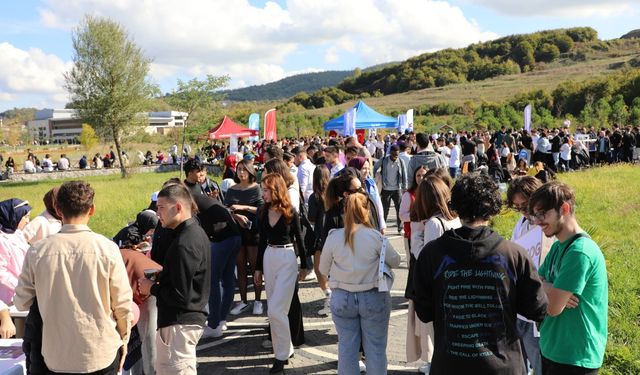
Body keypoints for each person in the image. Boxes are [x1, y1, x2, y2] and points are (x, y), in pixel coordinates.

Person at [413, 173, 548, 374]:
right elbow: (536, 309)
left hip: (450, 363)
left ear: (455, 207)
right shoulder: (514, 254)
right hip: (503, 365)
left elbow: (423, 312)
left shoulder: (431, 253)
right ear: (493, 209)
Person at [14, 181, 132, 374]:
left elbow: (21, 302)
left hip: (55, 356)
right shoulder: (107, 248)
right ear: (92, 209)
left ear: (58, 210)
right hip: (101, 352)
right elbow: (122, 303)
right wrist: (124, 338)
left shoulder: (38, 251)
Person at [529, 182, 608, 374]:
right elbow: (534, 283)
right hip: (553, 348)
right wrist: (550, 288)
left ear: (564, 209)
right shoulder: (558, 246)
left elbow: (553, 308)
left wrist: (545, 288)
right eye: (534, 216)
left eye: (542, 214)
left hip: (575, 358)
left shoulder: (580, 252)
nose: (538, 221)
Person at [319, 191, 401, 375]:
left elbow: (323, 269)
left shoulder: (334, 236)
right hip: (373, 295)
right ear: (366, 211)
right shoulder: (375, 237)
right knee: (376, 349)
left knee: (347, 349)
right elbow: (395, 261)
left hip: (342, 297)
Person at [137, 183, 211, 375]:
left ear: (177, 207)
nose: (156, 212)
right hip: (183, 323)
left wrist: (151, 287)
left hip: (179, 325)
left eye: (160, 207)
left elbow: (181, 296)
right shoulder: (192, 232)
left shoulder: (184, 243)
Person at [254, 174, 308, 374]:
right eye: (262, 189)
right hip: (269, 257)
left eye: (266, 189)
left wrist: (304, 265)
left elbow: (300, 240)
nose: (263, 193)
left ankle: (281, 355)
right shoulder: (262, 211)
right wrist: (257, 268)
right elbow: (260, 242)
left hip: (287, 258)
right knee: (276, 309)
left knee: (276, 311)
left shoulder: (290, 212)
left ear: (276, 190)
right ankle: (287, 349)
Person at [407, 174, 461, 374]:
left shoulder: (433, 224)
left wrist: (416, 238)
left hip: (439, 287)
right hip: (455, 282)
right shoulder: (455, 219)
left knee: (437, 334)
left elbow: (427, 257)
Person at [506, 176, 555, 375]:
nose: (523, 211)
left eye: (525, 205)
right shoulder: (522, 223)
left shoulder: (548, 225)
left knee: (540, 362)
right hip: (521, 305)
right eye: (517, 207)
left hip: (539, 304)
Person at [195, 195, 242, 338]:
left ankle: (214, 324)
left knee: (212, 281)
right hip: (235, 237)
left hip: (223, 240)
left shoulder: (190, 199)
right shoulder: (200, 197)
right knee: (227, 281)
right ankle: (221, 320)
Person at [225, 159, 264, 316]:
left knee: (255, 268)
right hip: (236, 231)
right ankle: (243, 300)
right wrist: (235, 214)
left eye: (244, 169)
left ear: (250, 172)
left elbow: (262, 209)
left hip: (253, 231)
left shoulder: (257, 188)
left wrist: (244, 207)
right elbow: (226, 209)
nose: (241, 172)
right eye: (239, 169)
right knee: (240, 268)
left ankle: (258, 301)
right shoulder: (231, 189)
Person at [308, 165, 331, 316]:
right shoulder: (334, 193)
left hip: (320, 236)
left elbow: (311, 217)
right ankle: (333, 295)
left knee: (319, 269)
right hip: (335, 233)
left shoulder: (314, 197)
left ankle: (329, 295)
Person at [0, 198, 32, 304]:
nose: (28, 221)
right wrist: (20, 285)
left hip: (23, 290)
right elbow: (1, 272)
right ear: (14, 216)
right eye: (25, 217)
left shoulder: (17, 234)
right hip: (8, 295)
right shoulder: (1, 239)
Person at [373, 144, 408, 233]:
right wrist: (374, 176)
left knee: (399, 209)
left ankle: (400, 228)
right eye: (394, 155)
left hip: (397, 189)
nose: (395, 157)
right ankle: (382, 228)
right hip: (386, 189)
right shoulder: (384, 160)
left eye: (397, 155)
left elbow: (404, 175)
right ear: (390, 153)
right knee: (384, 209)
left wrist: (405, 188)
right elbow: (374, 167)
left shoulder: (400, 161)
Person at [399, 165, 427, 264]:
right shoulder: (408, 195)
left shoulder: (430, 193)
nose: (421, 178)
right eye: (418, 175)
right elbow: (402, 215)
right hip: (412, 235)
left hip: (428, 234)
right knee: (413, 266)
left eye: (423, 175)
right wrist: (418, 216)